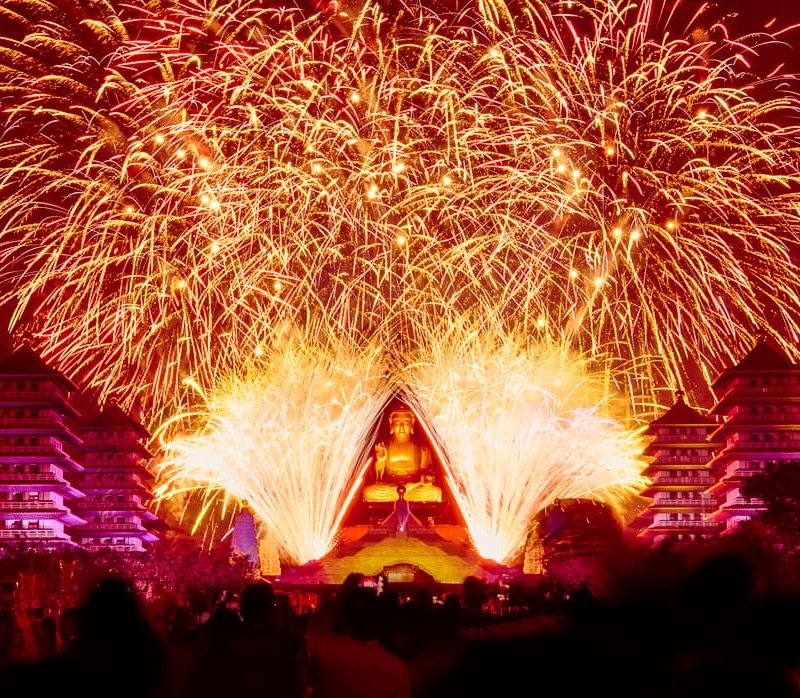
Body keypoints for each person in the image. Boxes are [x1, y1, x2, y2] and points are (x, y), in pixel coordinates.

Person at [363, 407, 442, 503]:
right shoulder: (384, 445)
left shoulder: (422, 448)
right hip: (391, 488)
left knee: (435, 492)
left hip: (412, 488)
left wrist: (426, 478)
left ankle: (403, 494)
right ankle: (400, 494)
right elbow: (377, 477)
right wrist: (381, 461)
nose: (401, 427)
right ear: (391, 424)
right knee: (368, 492)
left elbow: (428, 471)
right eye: (397, 423)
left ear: (412, 424)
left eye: (405, 423)